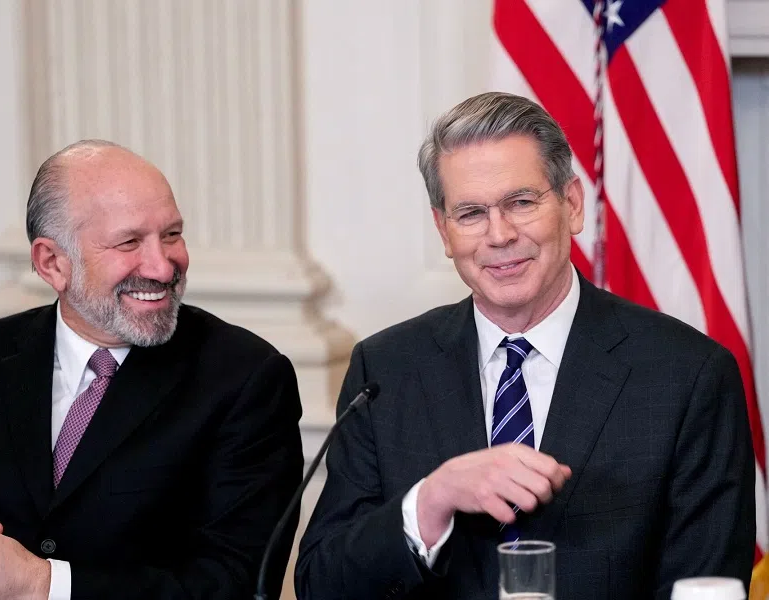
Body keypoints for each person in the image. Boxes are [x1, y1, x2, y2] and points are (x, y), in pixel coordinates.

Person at [294, 92, 755, 599]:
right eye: (470, 213)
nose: (499, 234)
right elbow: (321, 584)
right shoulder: (384, 370)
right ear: (444, 231)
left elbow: (706, 586)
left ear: (572, 204)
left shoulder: (687, 375)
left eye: (521, 202)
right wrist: (431, 500)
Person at [0, 140, 304, 600]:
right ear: (52, 263)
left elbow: (236, 585)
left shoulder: (246, 378)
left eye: (172, 234)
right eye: (129, 242)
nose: (162, 265)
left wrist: (41, 583)